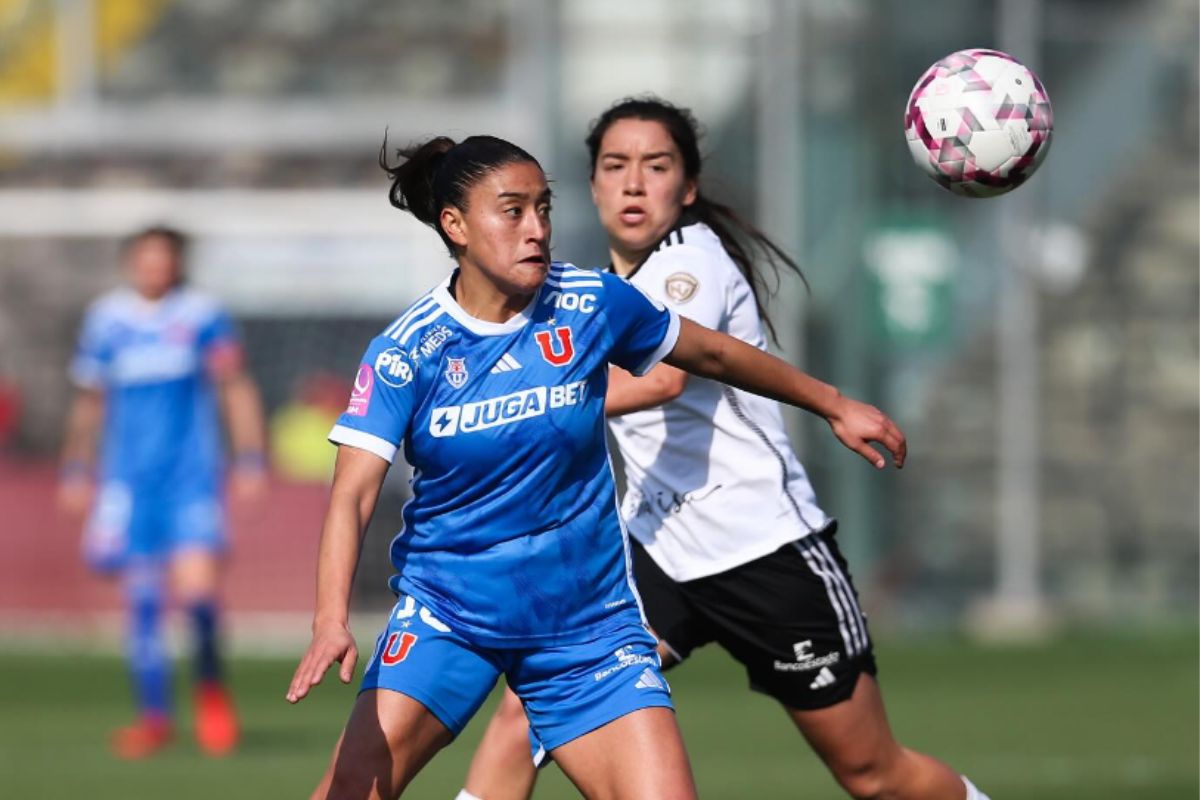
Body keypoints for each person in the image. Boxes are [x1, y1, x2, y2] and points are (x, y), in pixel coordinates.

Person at [285, 132, 905, 800]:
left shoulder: (589, 303)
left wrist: (834, 404)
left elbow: (715, 356)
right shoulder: (407, 352)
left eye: (544, 208)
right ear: (455, 225)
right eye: (513, 211)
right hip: (450, 615)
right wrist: (330, 619)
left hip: (586, 628)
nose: (536, 229)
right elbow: (351, 496)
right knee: (350, 790)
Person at [457, 98, 991, 800]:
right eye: (616, 166)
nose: (634, 183)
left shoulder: (691, 262)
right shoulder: (599, 290)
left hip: (763, 553)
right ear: (591, 187)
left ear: (688, 187)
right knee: (529, 711)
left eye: (657, 166)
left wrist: (500, 409)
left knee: (873, 775)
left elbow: (662, 379)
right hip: (657, 551)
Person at [58, 226, 267, 758]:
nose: (155, 268)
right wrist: (76, 466)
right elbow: (90, 399)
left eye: (164, 259)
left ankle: (212, 697)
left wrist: (249, 457)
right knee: (142, 601)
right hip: (128, 482)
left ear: (177, 264)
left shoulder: (201, 315)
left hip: (190, 478)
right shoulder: (108, 319)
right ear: (132, 263)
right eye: (146, 259)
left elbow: (235, 387)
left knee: (198, 597)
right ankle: (154, 718)